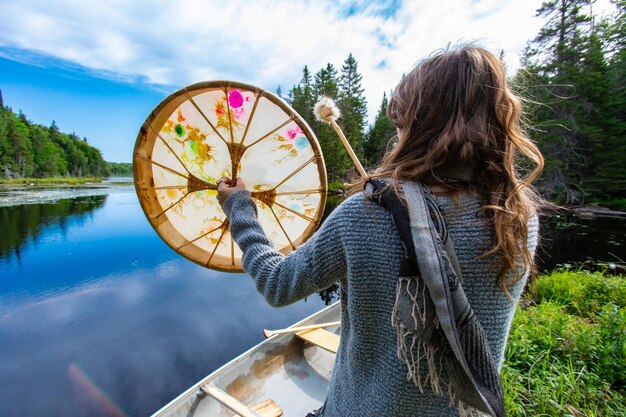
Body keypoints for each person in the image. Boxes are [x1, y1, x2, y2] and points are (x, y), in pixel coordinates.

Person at [216, 46, 543, 417]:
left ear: (421, 129)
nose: (397, 136)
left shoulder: (363, 216)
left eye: (401, 125)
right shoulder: (518, 218)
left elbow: (278, 284)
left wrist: (240, 209)